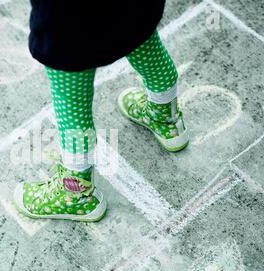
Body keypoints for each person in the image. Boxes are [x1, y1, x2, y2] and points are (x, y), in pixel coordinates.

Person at [13, 0, 189, 221]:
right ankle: (166, 120)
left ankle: (76, 195)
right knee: (146, 47)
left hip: (68, 24)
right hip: (133, 9)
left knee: (73, 108)